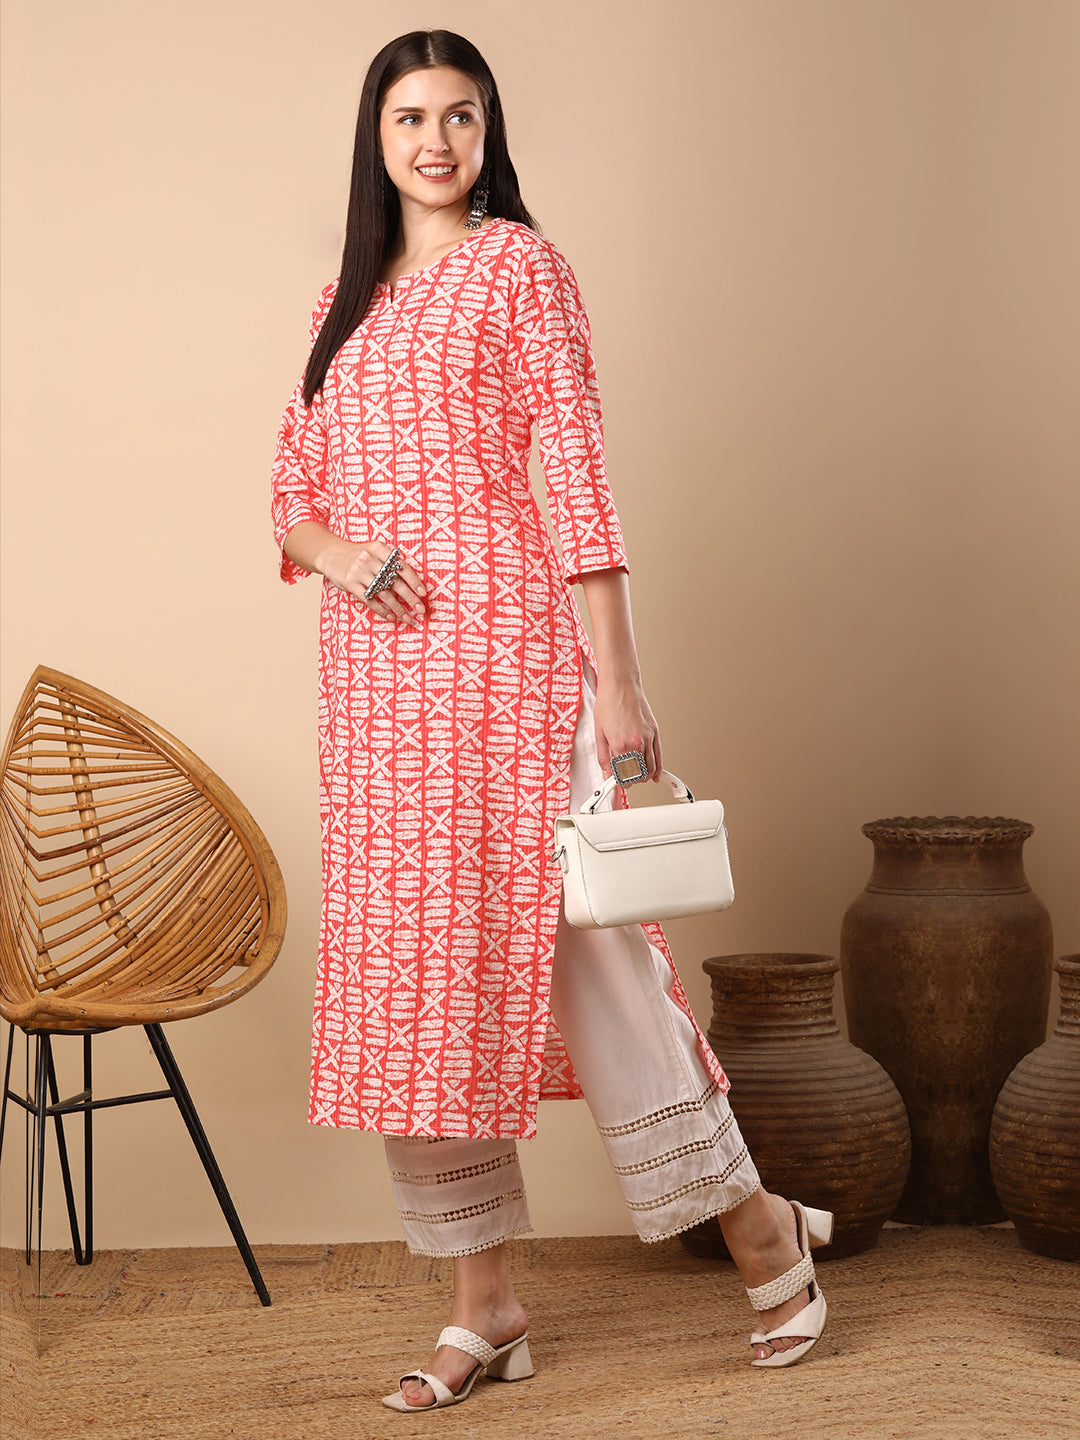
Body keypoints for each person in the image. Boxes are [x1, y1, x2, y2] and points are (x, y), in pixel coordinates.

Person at [271, 28, 832, 1413]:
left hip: (511, 664)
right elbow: (294, 486)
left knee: (588, 958)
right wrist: (343, 557)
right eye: (412, 117)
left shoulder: (521, 267)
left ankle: (759, 1229)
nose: (437, 142)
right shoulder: (343, 295)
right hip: (379, 696)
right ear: (376, 136)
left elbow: (575, 473)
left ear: (489, 132)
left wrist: (619, 684)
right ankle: (486, 1306)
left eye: (461, 116)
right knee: (419, 983)